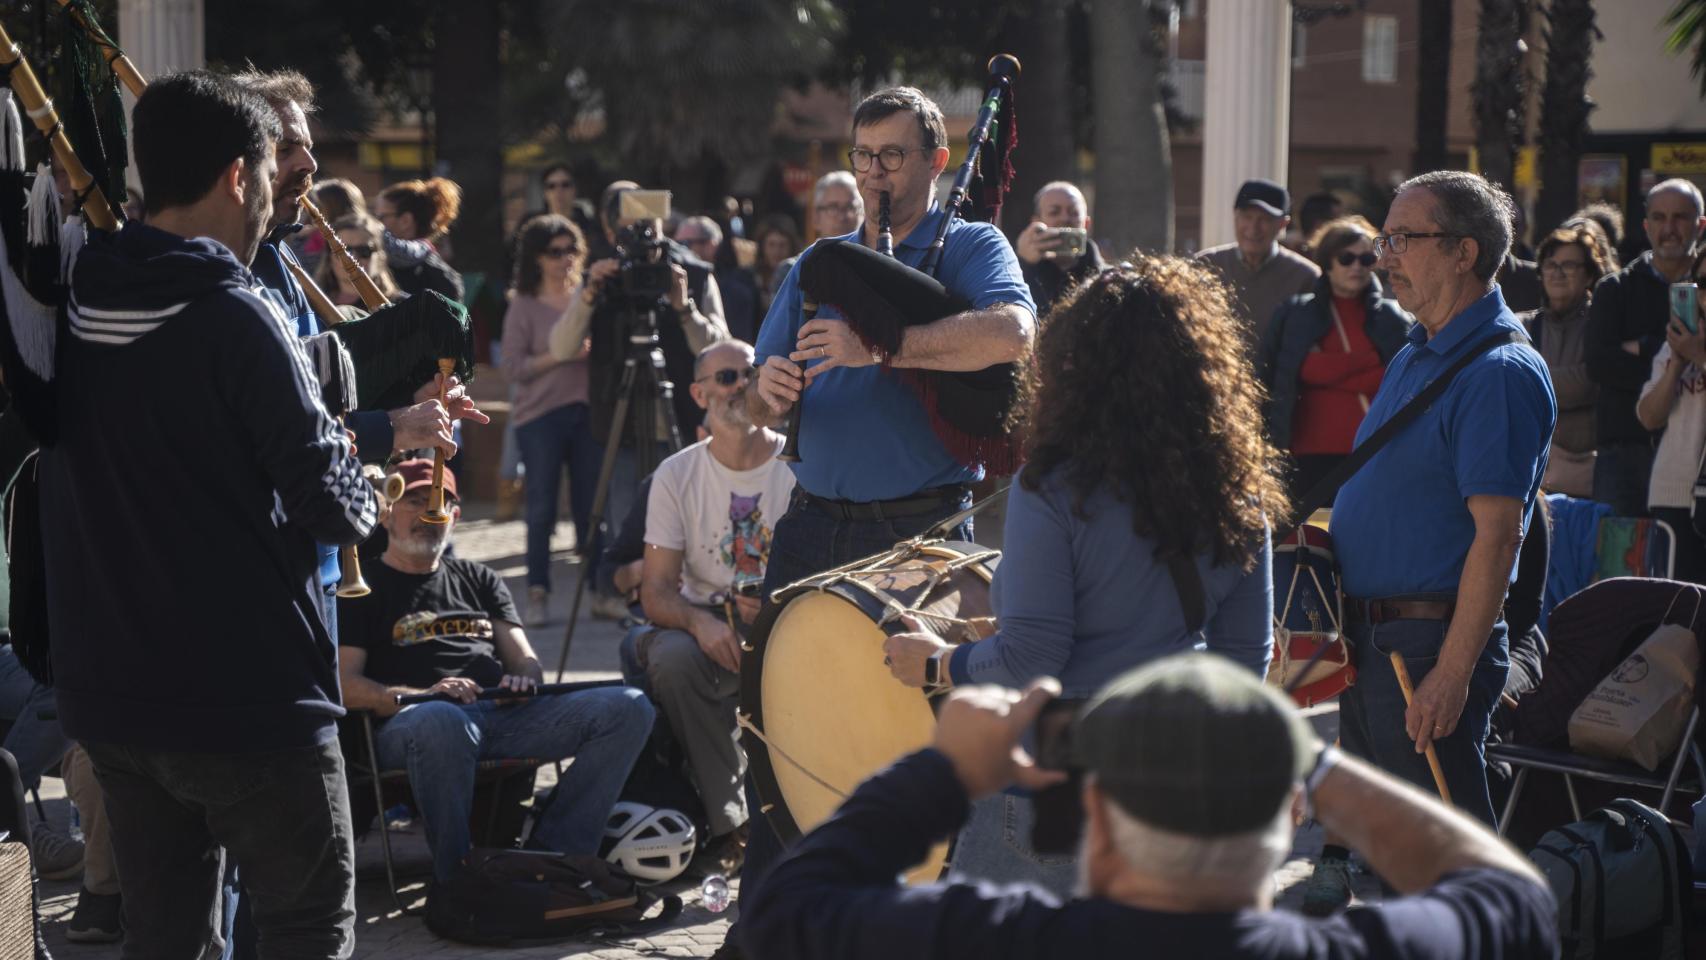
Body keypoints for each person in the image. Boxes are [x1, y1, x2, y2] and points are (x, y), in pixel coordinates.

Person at [44, 71, 379, 955]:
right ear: (241, 175)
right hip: (249, 700)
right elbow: (334, 507)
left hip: (115, 697)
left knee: (166, 939)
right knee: (306, 927)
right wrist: (358, 457)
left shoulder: (74, 298)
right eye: (272, 170)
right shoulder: (236, 312)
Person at [736, 84, 1035, 960]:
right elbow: (761, 382)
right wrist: (769, 388)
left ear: (938, 161)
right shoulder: (820, 260)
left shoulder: (969, 244)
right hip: (811, 525)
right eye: (863, 156)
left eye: (892, 156)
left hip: (921, 536)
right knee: (778, 731)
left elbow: (1014, 334)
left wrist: (888, 347)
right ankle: (766, 932)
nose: (873, 174)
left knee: (916, 740)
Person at [880, 257, 1283, 894]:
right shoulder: (1238, 492)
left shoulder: (1056, 487)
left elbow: (1032, 658)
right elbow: (1243, 664)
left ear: (1074, 365)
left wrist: (938, 664)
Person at [740, 654, 1559, 960]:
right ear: (1289, 819)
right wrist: (1308, 759)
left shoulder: (990, 940)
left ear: (1095, 827)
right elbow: (1514, 898)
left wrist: (945, 771)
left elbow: (785, 912)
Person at [1321, 171, 1555, 914]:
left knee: (1445, 875)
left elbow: (1498, 537)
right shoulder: (1419, 351)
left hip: (1424, 651)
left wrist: (1452, 675)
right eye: (1384, 239)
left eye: (1402, 239)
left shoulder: (1499, 371)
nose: (1384, 257)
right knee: (1396, 870)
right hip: (1377, 643)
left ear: (1463, 251)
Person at [338, 460, 654, 883]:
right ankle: (460, 878)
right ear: (387, 511)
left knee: (630, 707)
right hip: (414, 723)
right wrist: (423, 694)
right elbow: (343, 685)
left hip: (499, 716)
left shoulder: (480, 577)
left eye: (440, 503)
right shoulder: (363, 584)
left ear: (456, 516)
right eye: (415, 501)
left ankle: (554, 858)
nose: (429, 514)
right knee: (442, 720)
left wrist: (522, 681)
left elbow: (525, 659)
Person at [622, 340, 794, 862]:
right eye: (725, 378)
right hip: (712, 631)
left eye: (749, 373)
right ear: (698, 393)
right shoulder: (677, 474)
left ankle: (797, 819)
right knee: (672, 657)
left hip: (789, 625)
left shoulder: (801, 462)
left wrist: (777, 609)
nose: (740, 385)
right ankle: (730, 823)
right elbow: (653, 590)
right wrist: (700, 624)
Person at [548, 181, 730, 582]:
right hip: (622, 423)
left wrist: (686, 309)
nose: (644, 239)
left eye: (649, 227)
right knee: (628, 525)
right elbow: (561, 348)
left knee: (691, 524)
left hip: (684, 418)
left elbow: (721, 347)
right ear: (612, 233)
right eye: (632, 230)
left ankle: (688, 595)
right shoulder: (604, 276)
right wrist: (589, 294)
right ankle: (635, 603)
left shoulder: (693, 275)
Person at [1261, 216, 1413, 502]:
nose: (1356, 266)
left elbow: (1396, 381)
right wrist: (1367, 360)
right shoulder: (1294, 315)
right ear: (1327, 262)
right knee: (1308, 542)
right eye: (1346, 258)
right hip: (1303, 456)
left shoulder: (1394, 318)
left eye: (1366, 258)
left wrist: (1323, 368)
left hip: (1373, 452)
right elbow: (1284, 375)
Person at [503, 214, 601, 626]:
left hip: (586, 413)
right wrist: (560, 354)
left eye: (571, 250)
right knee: (541, 508)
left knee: (591, 508)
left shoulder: (589, 297)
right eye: (555, 252)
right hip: (539, 416)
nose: (565, 259)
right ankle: (537, 593)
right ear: (537, 258)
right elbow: (513, 367)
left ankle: (599, 590)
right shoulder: (522, 304)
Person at [1587, 179, 1706, 516]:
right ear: (1646, 225)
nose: (1669, 228)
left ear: (1700, 224)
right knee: (1618, 560)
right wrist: (1669, 355)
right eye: (1659, 217)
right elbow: (1599, 365)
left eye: (1680, 217)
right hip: (1624, 451)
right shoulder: (1615, 290)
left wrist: (1642, 348)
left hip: (1695, 458)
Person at [1523, 225, 1614, 498]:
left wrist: (1534, 381)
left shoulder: (1605, 324)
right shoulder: (1522, 325)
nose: (1558, 273)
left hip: (1590, 476)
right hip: (1535, 475)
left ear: (1589, 274)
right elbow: (1508, 386)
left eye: (1569, 265)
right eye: (1551, 264)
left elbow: (1591, 381)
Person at [1635, 248, 1706, 583]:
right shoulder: (1679, 342)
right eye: (1702, 283)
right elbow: (1649, 417)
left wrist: (1699, 356)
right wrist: (1678, 361)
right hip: (1675, 494)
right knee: (1677, 614)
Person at [1196, 178, 1320, 345]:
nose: (1253, 228)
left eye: (1265, 219)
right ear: (1235, 216)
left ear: (1283, 224)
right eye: (1247, 217)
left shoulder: (1305, 277)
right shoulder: (1204, 265)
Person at [1013, 180, 1106, 317]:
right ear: (1036, 223)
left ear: (1086, 224)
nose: (1065, 218)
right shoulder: (1017, 275)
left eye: (1074, 212)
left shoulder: (1107, 278)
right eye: (1054, 212)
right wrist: (1022, 265)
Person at [375, 177, 466, 302]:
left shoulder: (438, 278)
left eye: (381, 216)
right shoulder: (445, 275)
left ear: (405, 220)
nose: (375, 223)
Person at [679, 215, 761, 343]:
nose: (679, 250)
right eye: (676, 243)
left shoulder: (736, 291)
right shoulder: (671, 284)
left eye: (686, 243)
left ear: (711, 245)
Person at [312, 213, 400, 307]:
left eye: (364, 251)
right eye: (342, 251)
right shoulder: (312, 305)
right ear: (329, 257)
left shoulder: (402, 307)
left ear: (380, 257)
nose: (353, 257)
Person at [752, 215, 802, 311]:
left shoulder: (799, 276)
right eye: (771, 244)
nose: (776, 251)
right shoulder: (750, 279)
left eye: (782, 245)